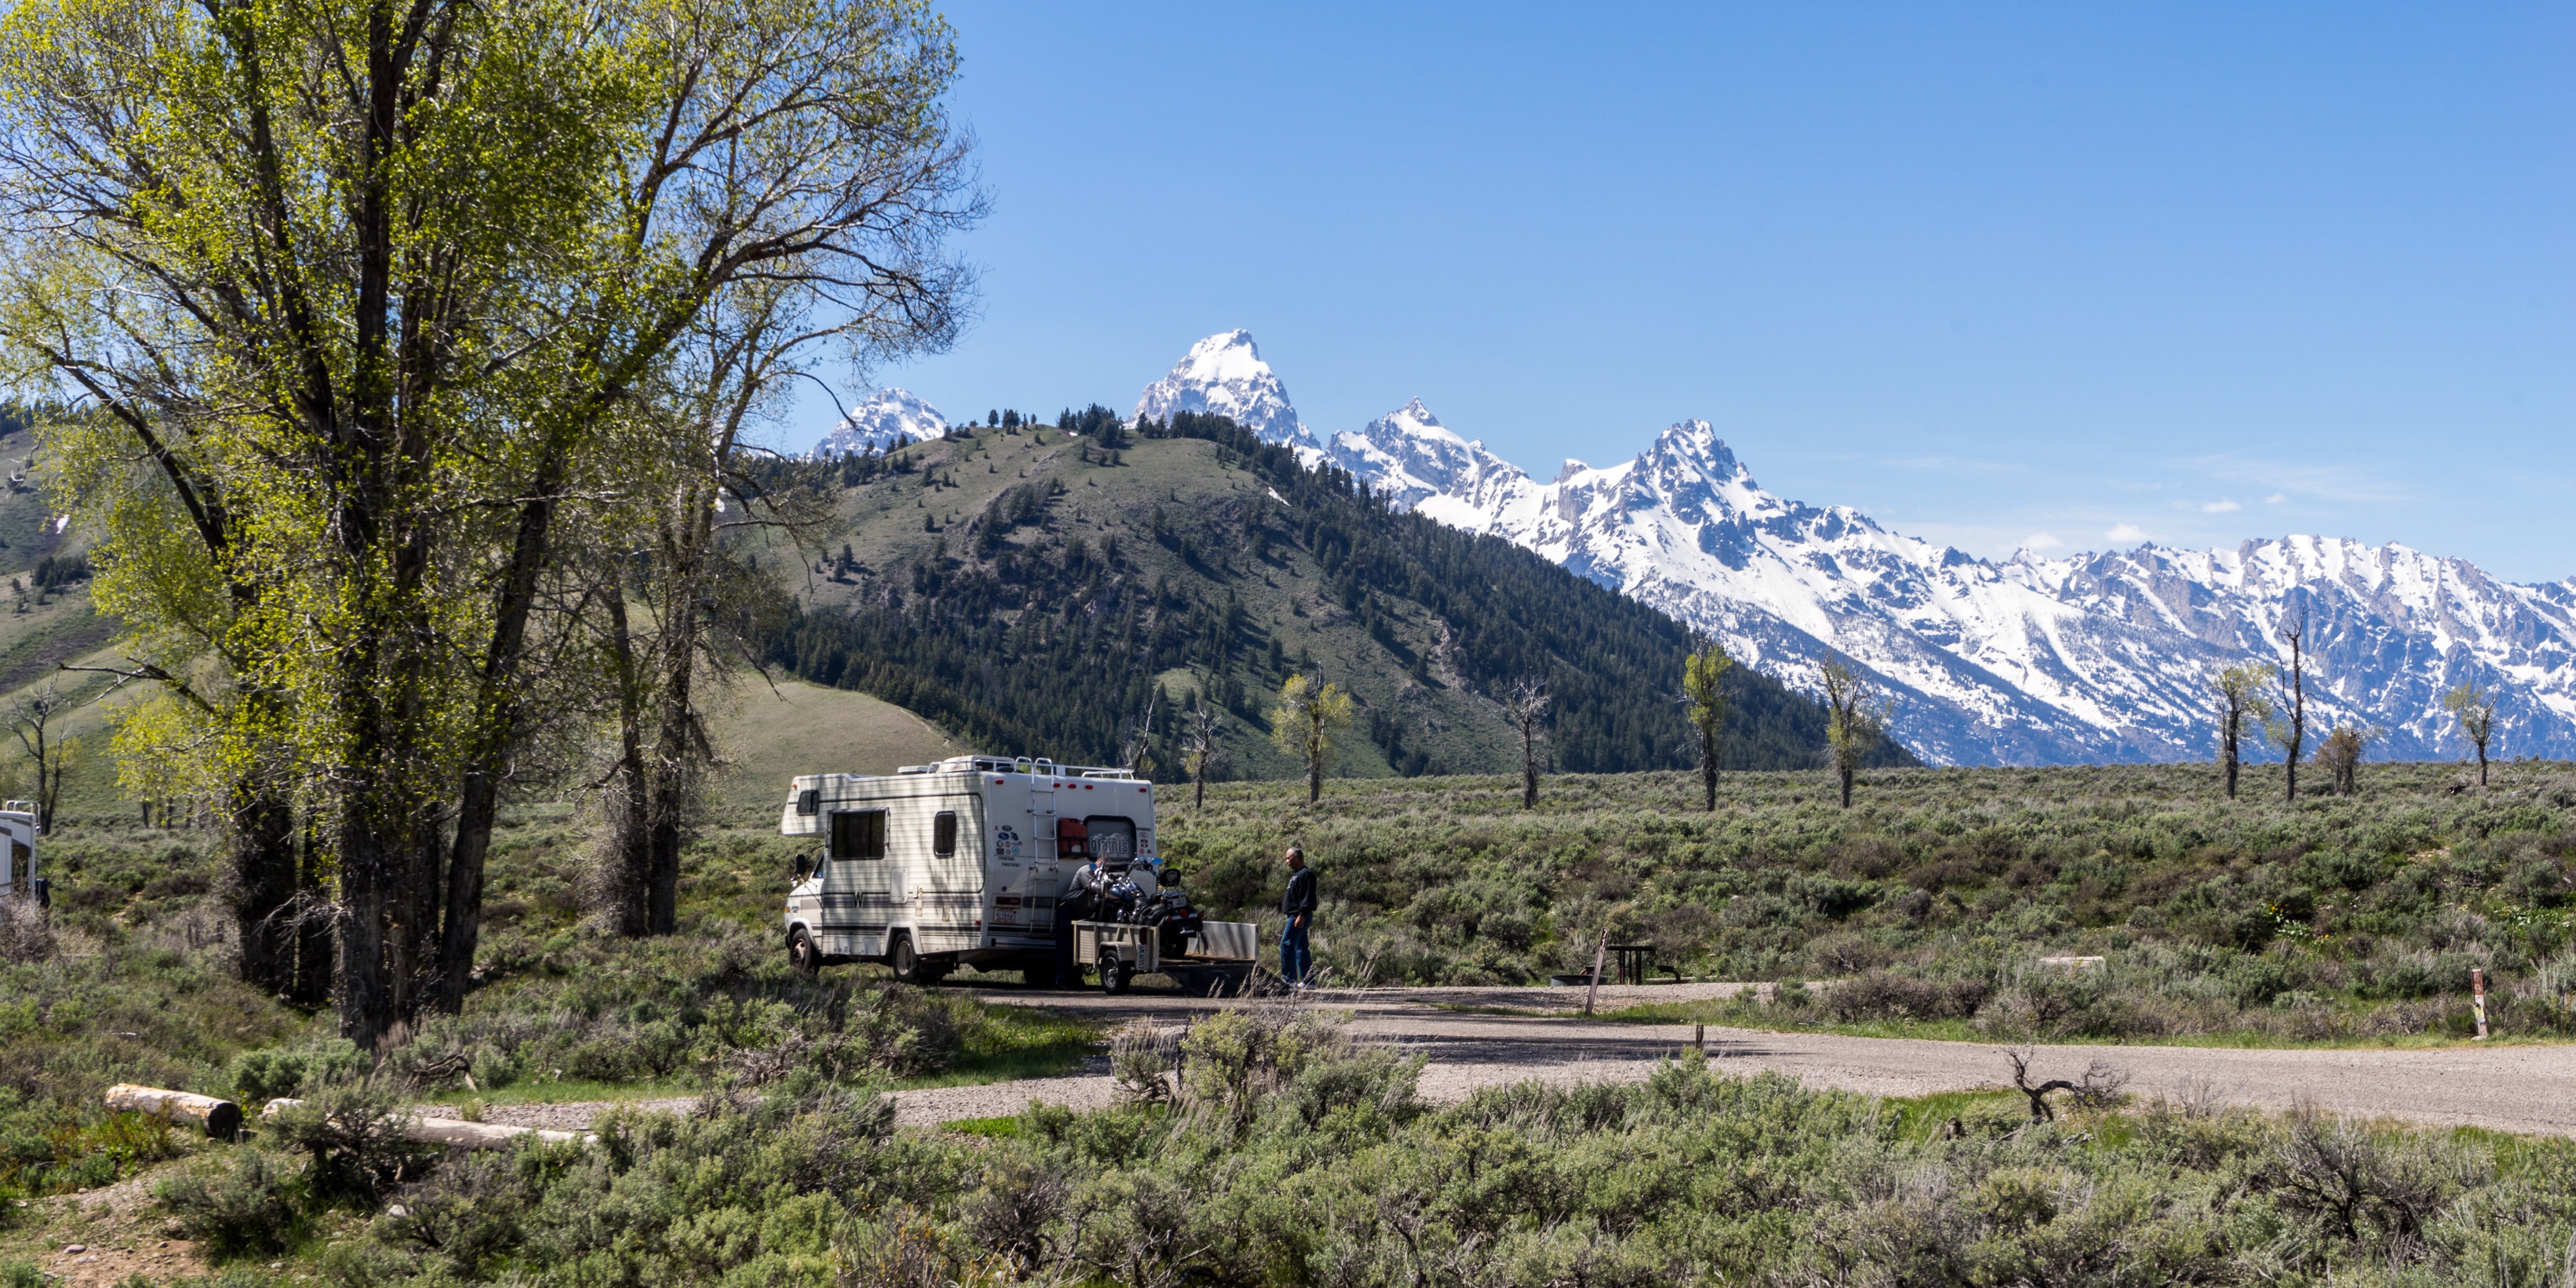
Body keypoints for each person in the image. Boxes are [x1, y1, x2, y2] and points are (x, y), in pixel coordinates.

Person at [1278, 846, 1318, 990]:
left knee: (1287, 944)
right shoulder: (1297, 874)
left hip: (1298, 915)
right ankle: (1309, 982)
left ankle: (1289, 981)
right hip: (1295, 915)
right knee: (1301, 947)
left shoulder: (1306, 874)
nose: (1286, 861)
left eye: (1289, 858)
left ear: (1296, 857)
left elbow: (1307, 897)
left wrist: (1301, 914)